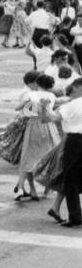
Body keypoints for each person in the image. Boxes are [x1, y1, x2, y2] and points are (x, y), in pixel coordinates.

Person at [14, 72, 60, 202]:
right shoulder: (52, 96)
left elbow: (18, 109)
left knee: (28, 157)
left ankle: (22, 187)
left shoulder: (32, 95)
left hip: (33, 126)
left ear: (38, 83)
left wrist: (29, 106)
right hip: (49, 127)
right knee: (50, 157)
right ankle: (47, 189)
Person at [56, 78, 82, 227]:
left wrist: (42, 109)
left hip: (75, 140)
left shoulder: (72, 105)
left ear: (78, 88)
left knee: (70, 177)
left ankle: (75, 216)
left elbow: (52, 118)